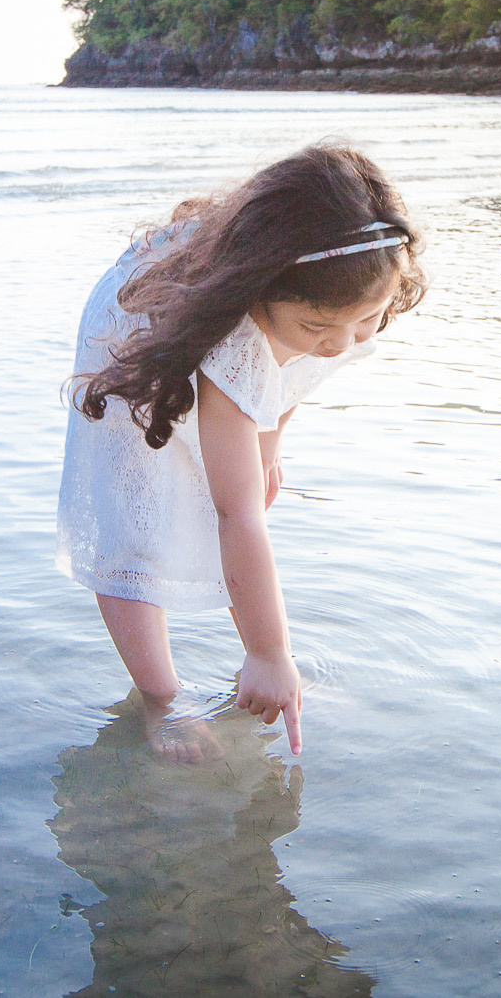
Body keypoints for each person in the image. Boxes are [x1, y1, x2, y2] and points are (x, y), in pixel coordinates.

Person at [59, 143, 427, 759]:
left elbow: (292, 371)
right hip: (139, 340)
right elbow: (237, 514)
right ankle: (161, 700)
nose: (341, 344)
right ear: (261, 294)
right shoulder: (236, 330)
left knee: (250, 484)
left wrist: (269, 444)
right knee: (136, 521)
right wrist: (269, 652)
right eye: (318, 327)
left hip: (231, 311)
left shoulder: (347, 283)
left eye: (365, 320)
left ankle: (262, 655)